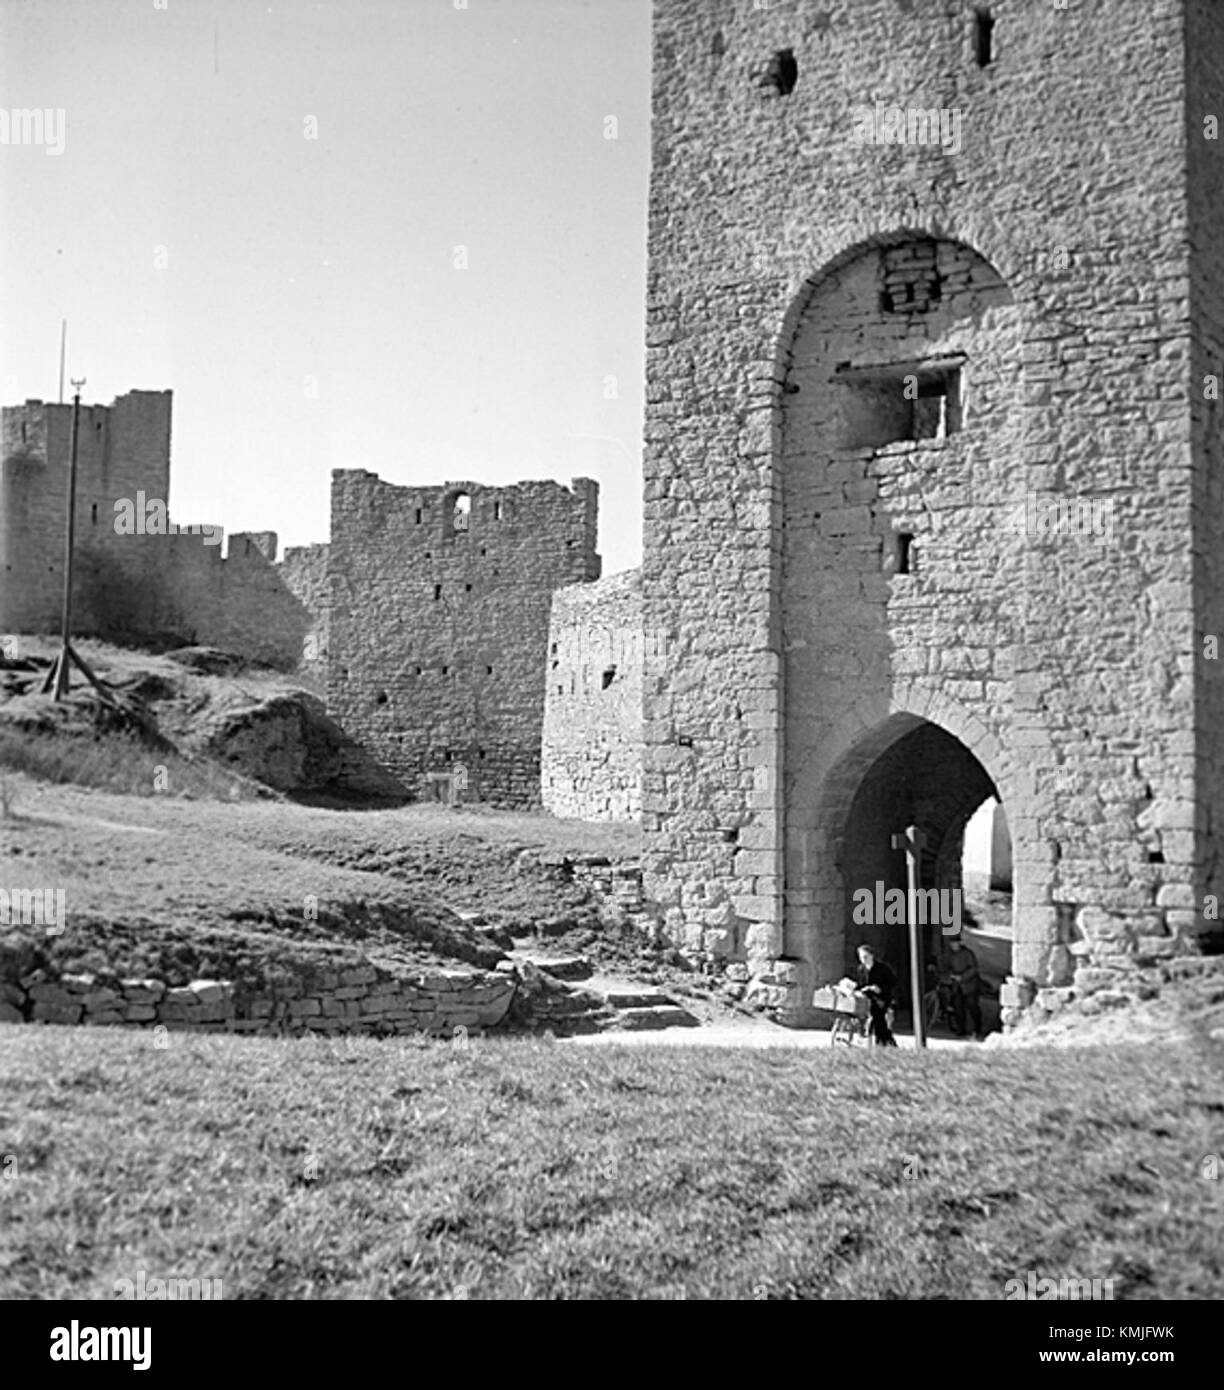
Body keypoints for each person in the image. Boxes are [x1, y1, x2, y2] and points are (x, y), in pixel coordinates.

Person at [855, 944, 898, 1047]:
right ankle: (887, 1042)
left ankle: (882, 1042)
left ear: (872, 956)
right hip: (868, 998)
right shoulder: (861, 969)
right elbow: (860, 985)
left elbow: (893, 982)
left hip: (883, 997)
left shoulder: (882, 968)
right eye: (861, 957)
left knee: (878, 1015)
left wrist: (880, 988)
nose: (863, 960)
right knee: (876, 1018)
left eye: (865, 957)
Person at [944, 936, 983, 1038]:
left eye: (955, 943)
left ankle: (977, 1028)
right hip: (957, 986)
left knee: (972, 1006)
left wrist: (962, 977)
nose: (953, 945)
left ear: (959, 943)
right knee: (958, 1007)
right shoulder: (949, 954)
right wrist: (950, 974)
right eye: (952, 943)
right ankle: (961, 1029)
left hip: (970, 985)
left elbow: (974, 968)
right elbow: (946, 966)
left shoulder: (967, 953)